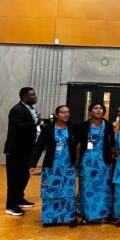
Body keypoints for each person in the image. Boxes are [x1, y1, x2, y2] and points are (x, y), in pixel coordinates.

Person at [29, 105, 78, 227]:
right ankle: (50, 219)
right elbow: (39, 146)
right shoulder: (47, 128)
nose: (66, 114)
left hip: (67, 165)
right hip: (52, 166)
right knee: (51, 191)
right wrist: (32, 164)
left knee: (68, 192)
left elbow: (78, 145)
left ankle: (71, 218)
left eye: (68, 112)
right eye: (62, 112)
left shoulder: (73, 128)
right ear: (56, 115)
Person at [77, 103, 115, 224]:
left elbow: (111, 143)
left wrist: (112, 156)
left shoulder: (108, 125)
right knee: (86, 187)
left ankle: (103, 214)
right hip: (87, 160)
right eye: (95, 108)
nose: (98, 110)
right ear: (90, 112)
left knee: (103, 188)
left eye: (101, 109)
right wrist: (77, 161)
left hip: (103, 161)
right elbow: (78, 144)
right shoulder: (83, 125)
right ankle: (86, 215)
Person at [5, 87, 40, 215]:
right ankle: (10, 206)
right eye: (32, 95)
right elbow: (19, 126)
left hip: (27, 149)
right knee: (14, 179)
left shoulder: (30, 108)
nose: (35, 96)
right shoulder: (17, 110)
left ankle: (19, 199)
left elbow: (31, 125)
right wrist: (36, 123)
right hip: (16, 150)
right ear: (24, 96)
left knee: (24, 176)